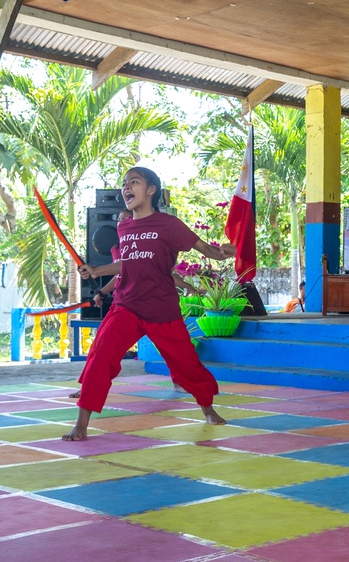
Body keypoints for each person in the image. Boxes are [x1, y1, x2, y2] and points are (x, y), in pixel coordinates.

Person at [63, 167, 233, 441]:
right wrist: (96, 270)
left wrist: (223, 254)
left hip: (162, 309)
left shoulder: (169, 225)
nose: (126, 187)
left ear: (151, 190)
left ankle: (208, 408)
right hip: (126, 306)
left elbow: (205, 249)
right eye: (124, 183)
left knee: (186, 365)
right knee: (100, 355)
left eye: (134, 182)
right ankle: (81, 423)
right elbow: (128, 262)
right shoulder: (124, 225)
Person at [72, 208, 200, 399]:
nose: (122, 222)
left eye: (127, 218)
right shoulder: (118, 247)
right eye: (120, 219)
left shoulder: (147, 241)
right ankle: (88, 387)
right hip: (124, 305)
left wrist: (187, 285)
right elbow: (120, 274)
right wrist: (101, 291)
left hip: (154, 305)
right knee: (101, 345)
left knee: (172, 348)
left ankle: (180, 381)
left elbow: (161, 273)